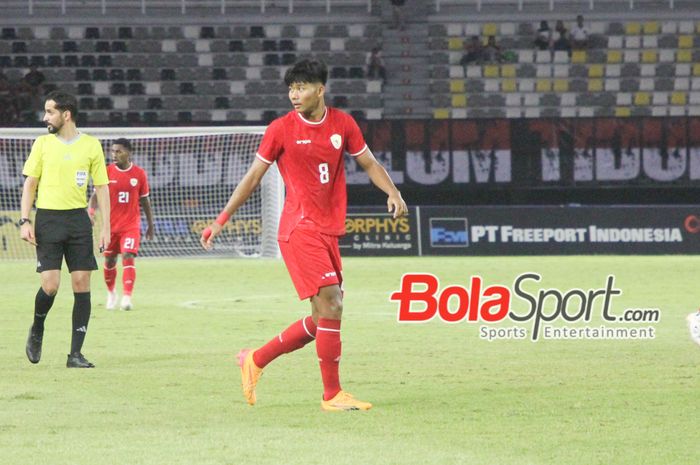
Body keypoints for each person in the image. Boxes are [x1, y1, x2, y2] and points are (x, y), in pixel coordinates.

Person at [200, 59, 407, 411]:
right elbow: (252, 178)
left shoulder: (343, 123)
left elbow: (369, 162)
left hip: (328, 230)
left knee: (322, 317)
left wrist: (393, 192)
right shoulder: (280, 129)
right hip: (298, 228)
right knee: (333, 303)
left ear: (320, 90)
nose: (294, 95)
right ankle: (332, 395)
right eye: (291, 89)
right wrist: (221, 220)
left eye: (302, 88)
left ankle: (256, 359)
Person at [20, 90, 110, 368]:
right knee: (51, 285)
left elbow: (102, 188)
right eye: (46, 111)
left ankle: (75, 354)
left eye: (50, 112)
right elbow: (30, 184)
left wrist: (106, 227)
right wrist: (25, 221)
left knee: (82, 284)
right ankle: (37, 328)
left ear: (66, 114)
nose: (45, 117)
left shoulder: (91, 145)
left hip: (78, 220)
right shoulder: (43, 144)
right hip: (48, 219)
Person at [88, 138, 154, 311]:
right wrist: (91, 212)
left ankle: (126, 297)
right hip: (110, 227)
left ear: (129, 153)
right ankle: (111, 293)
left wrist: (150, 225)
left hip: (131, 227)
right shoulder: (106, 172)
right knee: (109, 261)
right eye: (112, 151)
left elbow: (145, 201)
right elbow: (95, 197)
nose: (114, 155)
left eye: (119, 151)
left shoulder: (139, 174)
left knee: (128, 256)